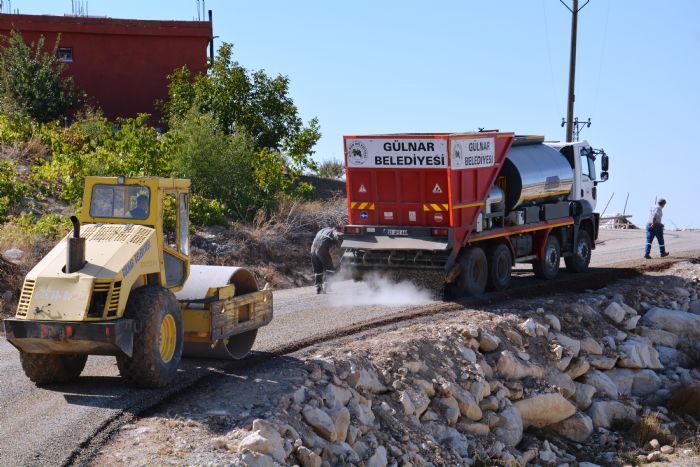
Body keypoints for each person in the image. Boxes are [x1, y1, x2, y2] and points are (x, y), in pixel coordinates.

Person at [311, 227, 344, 294]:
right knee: (329, 268)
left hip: (313, 249)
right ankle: (327, 286)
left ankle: (318, 288)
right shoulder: (333, 231)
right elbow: (338, 236)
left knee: (318, 269)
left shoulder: (322, 230)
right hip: (321, 249)